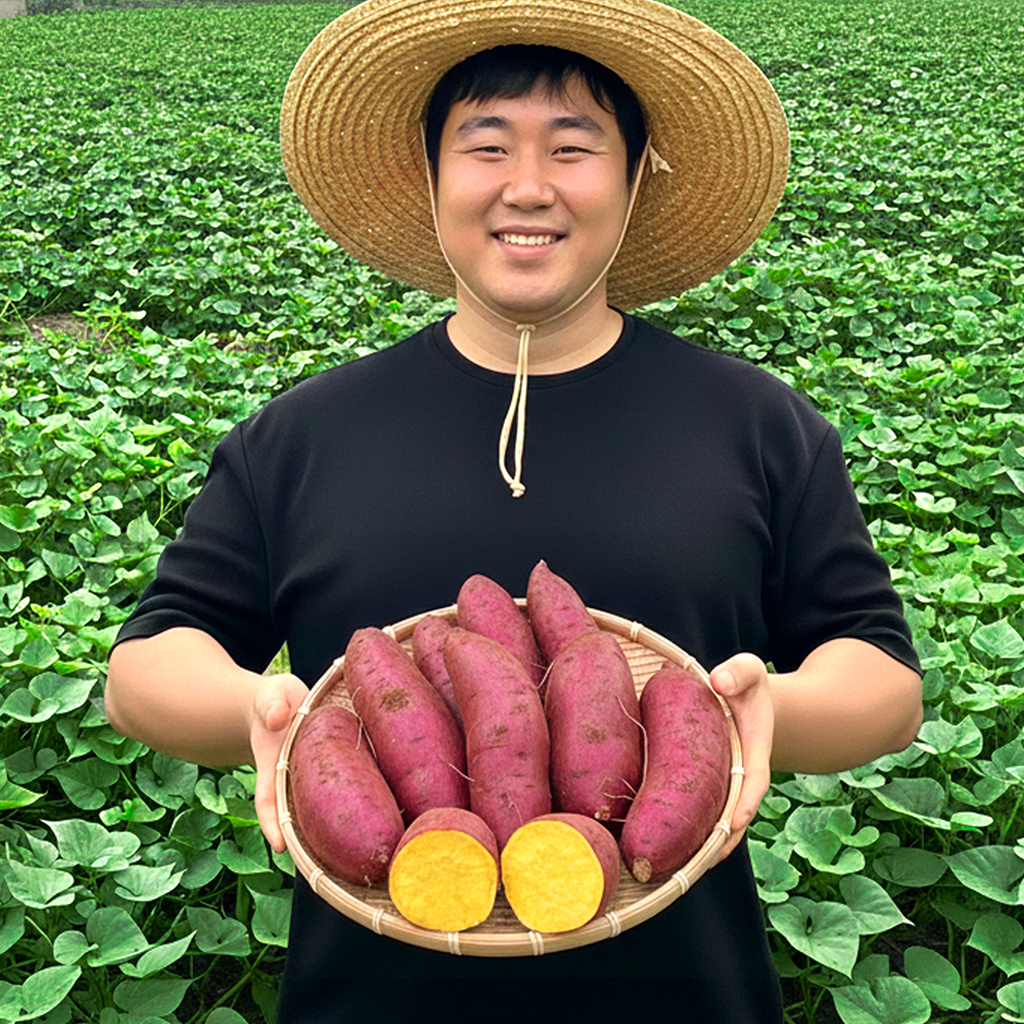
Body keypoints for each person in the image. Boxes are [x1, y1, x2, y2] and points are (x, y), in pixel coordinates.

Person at [105, 0, 923, 1020]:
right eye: (485, 147)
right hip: (366, 996)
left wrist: (759, 712)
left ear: (636, 179)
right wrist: (258, 709)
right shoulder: (303, 433)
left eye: (573, 149)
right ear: (431, 176)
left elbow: (883, 680)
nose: (527, 186)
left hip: (685, 993)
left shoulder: (759, 424)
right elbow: (146, 665)